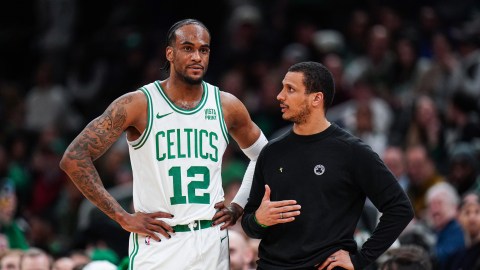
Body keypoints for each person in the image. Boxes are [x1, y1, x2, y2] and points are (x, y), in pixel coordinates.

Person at [59, 19, 267, 269]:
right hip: (159, 242)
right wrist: (122, 217)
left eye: (204, 50)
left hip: (211, 240)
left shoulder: (226, 105)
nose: (197, 56)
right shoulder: (139, 103)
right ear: (170, 53)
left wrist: (238, 204)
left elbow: (265, 156)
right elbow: (74, 157)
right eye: (188, 48)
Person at [242, 61, 414, 269]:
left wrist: (360, 258)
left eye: (290, 89)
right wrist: (259, 220)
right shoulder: (271, 151)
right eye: (282, 88)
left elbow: (400, 209)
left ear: (316, 98)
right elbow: (250, 224)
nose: (280, 96)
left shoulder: (352, 151)